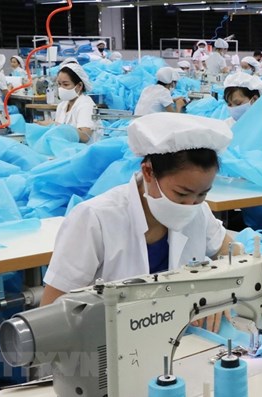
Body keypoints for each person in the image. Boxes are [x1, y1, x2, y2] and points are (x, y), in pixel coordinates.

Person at [41, 113, 236, 332]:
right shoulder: (94, 219)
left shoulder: (198, 211)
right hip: (103, 346)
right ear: (148, 172)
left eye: (202, 194)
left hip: (173, 338)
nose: (191, 204)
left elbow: (236, 256)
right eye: (182, 194)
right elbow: (51, 313)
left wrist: (220, 286)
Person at [35, 63, 96, 143]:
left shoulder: (86, 105)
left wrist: (55, 126)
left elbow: (85, 136)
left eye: (66, 84)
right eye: (59, 84)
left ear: (79, 86)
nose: (61, 88)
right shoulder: (62, 105)